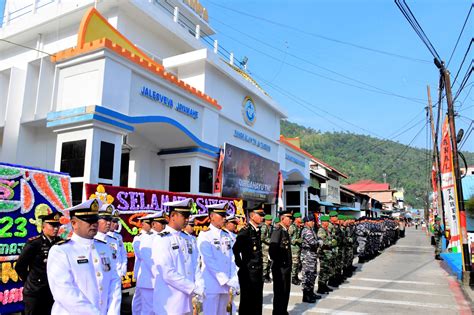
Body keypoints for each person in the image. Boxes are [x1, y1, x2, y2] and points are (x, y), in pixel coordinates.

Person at [47, 199, 122, 314]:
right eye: (88, 220)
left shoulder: (104, 247)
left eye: (95, 220)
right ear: (74, 223)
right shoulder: (61, 251)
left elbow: (114, 282)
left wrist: (113, 312)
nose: (94, 224)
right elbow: (64, 292)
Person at [151, 198, 203, 315]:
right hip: (170, 303)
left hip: (187, 302)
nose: (187, 219)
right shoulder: (162, 239)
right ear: (173, 215)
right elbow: (167, 272)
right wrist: (193, 288)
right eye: (184, 216)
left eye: (188, 216)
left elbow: (195, 266)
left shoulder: (188, 239)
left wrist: (200, 285)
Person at [15, 212, 63, 315]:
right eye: (52, 225)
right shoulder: (34, 243)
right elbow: (20, 266)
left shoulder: (59, 243)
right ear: (43, 227)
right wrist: (31, 280)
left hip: (52, 291)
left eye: (57, 225)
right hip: (35, 292)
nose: (56, 228)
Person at [197, 202, 239, 315]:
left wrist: (234, 278)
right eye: (221, 215)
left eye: (225, 215)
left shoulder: (226, 235)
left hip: (226, 285)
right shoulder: (205, 235)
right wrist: (225, 279)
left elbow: (231, 259)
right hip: (212, 284)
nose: (224, 218)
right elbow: (209, 261)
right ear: (211, 217)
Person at [233, 207, 265, 315]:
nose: (262, 217)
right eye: (260, 215)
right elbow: (235, 249)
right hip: (248, 273)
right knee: (247, 303)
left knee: (257, 302)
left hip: (257, 272)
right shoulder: (245, 231)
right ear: (251, 216)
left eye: (262, 215)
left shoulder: (257, 231)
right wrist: (242, 266)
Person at [269, 210, 293, 315]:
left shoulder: (285, 231)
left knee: (285, 291)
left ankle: (283, 311)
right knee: (279, 292)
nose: (291, 220)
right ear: (282, 219)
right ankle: (278, 312)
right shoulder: (278, 231)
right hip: (280, 268)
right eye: (289, 218)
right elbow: (272, 250)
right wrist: (281, 263)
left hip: (285, 267)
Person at [131, 214, 154, 314]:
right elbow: (141, 255)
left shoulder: (153, 236)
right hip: (142, 271)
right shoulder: (139, 238)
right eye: (148, 223)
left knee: (147, 300)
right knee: (139, 298)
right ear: (143, 224)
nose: (151, 225)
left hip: (149, 272)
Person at [94, 203, 123, 278]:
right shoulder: (91, 241)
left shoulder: (113, 241)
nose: (109, 223)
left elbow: (117, 262)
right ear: (96, 221)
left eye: (110, 219)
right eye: (105, 219)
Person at [300, 214, 322, 303]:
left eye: (313, 221)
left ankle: (311, 293)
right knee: (307, 276)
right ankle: (306, 296)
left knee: (312, 275)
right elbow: (313, 243)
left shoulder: (311, 230)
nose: (313, 222)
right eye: (311, 221)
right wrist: (319, 243)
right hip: (307, 256)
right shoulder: (307, 231)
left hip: (312, 255)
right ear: (306, 222)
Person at [316, 215, 334, 294]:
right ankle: (321, 287)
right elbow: (322, 241)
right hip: (324, 253)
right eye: (327, 221)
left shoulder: (327, 230)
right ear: (323, 222)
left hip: (328, 252)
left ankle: (325, 285)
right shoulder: (321, 230)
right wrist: (330, 242)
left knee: (327, 270)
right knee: (323, 270)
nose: (328, 223)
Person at [108, 209, 128, 277]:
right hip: (108, 272)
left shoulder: (118, 236)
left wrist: (123, 267)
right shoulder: (101, 237)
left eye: (116, 222)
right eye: (113, 222)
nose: (116, 224)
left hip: (118, 271)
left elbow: (123, 253)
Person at [288, 212, 303, 285]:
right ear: (296, 219)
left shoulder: (298, 226)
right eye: (300, 217)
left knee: (297, 264)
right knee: (294, 264)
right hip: (293, 249)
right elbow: (288, 238)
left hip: (298, 248)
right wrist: (296, 240)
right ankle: (293, 278)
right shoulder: (292, 227)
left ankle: (296, 276)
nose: (301, 218)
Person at [260, 214, 273, 283]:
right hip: (264, 247)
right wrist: (270, 241)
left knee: (269, 262)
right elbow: (262, 237)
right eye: (270, 220)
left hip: (269, 247)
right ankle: (263, 276)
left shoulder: (270, 227)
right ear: (267, 220)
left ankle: (267, 275)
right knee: (265, 261)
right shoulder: (264, 227)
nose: (271, 221)